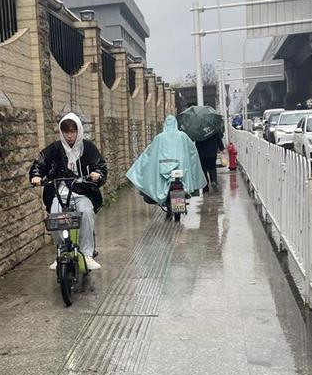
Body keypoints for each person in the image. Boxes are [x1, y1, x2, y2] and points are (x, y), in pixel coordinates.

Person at [29, 113, 107, 270]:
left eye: (73, 131)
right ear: (61, 132)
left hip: (82, 193)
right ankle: (61, 252)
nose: (70, 136)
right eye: (66, 132)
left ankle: (86, 254)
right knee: (54, 217)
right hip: (60, 194)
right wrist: (36, 176)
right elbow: (40, 163)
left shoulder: (88, 148)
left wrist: (96, 174)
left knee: (86, 213)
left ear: (78, 131)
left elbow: (100, 165)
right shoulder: (55, 148)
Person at [126, 115, 206, 204]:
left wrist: (138, 167)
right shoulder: (183, 136)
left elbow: (149, 152)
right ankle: (184, 194)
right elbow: (192, 150)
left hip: (163, 168)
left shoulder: (159, 137)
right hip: (180, 167)